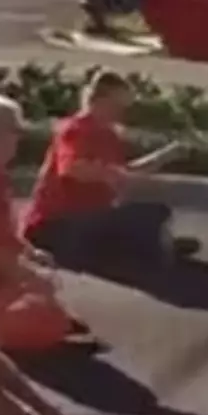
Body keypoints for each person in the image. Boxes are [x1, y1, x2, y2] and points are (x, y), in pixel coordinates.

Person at [19, 71, 192, 272]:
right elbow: (73, 169)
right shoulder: (76, 130)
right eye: (117, 106)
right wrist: (112, 174)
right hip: (57, 223)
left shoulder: (108, 135)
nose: (121, 113)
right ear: (99, 100)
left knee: (151, 213)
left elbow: (125, 171)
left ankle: (139, 248)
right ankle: (146, 249)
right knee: (145, 217)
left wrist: (164, 156)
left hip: (87, 218)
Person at [0, 95, 83, 355]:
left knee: (48, 310)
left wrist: (29, 251)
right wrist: (29, 276)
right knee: (48, 320)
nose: (19, 139)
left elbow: (1, 235)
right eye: (15, 131)